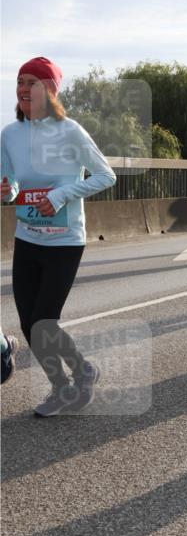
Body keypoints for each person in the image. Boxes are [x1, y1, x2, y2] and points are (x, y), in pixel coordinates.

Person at [1, 57, 116, 416]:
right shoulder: (9, 135)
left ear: (50, 90)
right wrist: (7, 192)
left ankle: (84, 370)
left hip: (65, 240)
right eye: (20, 81)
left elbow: (105, 175)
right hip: (27, 236)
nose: (23, 88)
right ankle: (62, 386)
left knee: (44, 320)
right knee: (28, 324)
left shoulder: (70, 131)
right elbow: (11, 186)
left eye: (32, 81)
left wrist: (60, 195)